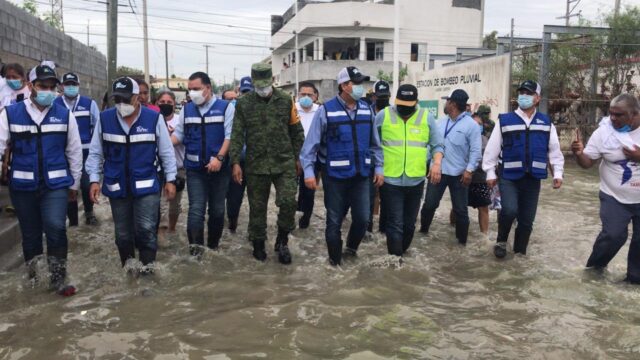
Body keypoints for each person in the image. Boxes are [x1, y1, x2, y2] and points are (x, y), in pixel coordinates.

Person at [0, 64, 82, 295]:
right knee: (31, 234)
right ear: (30, 86)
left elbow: (74, 151)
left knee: (56, 227)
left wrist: (74, 183)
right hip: (22, 186)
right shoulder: (10, 113)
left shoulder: (65, 115)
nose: (47, 90)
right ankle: (34, 278)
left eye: (51, 87)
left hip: (55, 185)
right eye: (42, 86)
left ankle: (58, 278)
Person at [86, 77, 177, 273]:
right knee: (123, 235)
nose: (122, 104)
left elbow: (166, 152)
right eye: (118, 99)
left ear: (138, 98)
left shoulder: (154, 119)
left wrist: (170, 179)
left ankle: (147, 272)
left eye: (126, 99)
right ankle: (129, 272)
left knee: (145, 229)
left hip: (147, 186)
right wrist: (94, 179)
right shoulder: (105, 118)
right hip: (117, 186)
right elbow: (95, 152)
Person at [300, 66, 384, 266]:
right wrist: (309, 173)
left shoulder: (366, 110)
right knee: (334, 221)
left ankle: (351, 250)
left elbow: (375, 144)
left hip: (361, 174)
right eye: (355, 83)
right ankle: (335, 264)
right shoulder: (326, 111)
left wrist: (379, 168)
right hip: (334, 176)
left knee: (363, 219)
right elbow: (309, 147)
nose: (359, 87)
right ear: (344, 86)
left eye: (360, 83)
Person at [229, 63, 305, 264]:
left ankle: (282, 240)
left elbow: (297, 132)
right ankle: (258, 243)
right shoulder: (243, 104)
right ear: (253, 83)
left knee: (289, 202)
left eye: (266, 84)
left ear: (272, 80)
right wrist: (235, 162)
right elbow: (236, 134)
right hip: (256, 163)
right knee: (257, 208)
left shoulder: (286, 100)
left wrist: (297, 157)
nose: (262, 88)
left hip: (284, 162)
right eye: (258, 85)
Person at [482, 80, 564, 258]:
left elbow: (554, 151)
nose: (523, 96)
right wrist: (489, 172)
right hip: (509, 176)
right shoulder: (505, 120)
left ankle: (520, 253)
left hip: (532, 178)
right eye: (521, 93)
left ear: (537, 98)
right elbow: (492, 149)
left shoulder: (546, 123)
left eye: (528, 93)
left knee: (527, 221)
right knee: (509, 210)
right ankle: (502, 240)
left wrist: (557, 173)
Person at [572, 94, 640, 284]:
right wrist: (578, 153)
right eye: (611, 114)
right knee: (613, 235)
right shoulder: (603, 133)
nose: (613, 119)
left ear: (635, 114)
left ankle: (634, 281)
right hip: (614, 196)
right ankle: (594, 271)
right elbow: (587, 163)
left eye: (619, 115)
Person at [171, 72, 234, 256]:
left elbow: (230, 136)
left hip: (219, 169)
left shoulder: (225, 108)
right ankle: (196, 255)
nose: (192, 93)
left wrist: (220, 158)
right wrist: (163, 142)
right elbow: (179, 135)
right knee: (196, 210)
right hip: (195, 170)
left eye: (196, 89)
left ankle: (213, 248)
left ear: (208, 88)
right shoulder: (186, 109)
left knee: (216, 211)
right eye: (190, 89)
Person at [378, 84, 443, 256]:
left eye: (408, 105)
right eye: (400, 104)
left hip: (416, 180)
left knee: (409, 224)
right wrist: (376, 168)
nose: (403, 109)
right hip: (390, 179)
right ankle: (395, 261)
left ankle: (400, 254)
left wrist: (437, 163)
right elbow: (372, 144)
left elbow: (437, 145)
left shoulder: (426, 117)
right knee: (395, 223)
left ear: (416, 102)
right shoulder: (383, 115)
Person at [419, 89, 481, 245]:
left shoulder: (471, 126)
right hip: (437, 172)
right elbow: (431, 146)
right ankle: (423, 233)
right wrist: (427, 166)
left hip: (459, 174)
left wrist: (469, 170)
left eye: (447, 101)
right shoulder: (440, 122)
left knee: (460, 210)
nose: (445, 104)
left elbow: (476, 151)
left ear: (452, 104)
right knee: (429, 205)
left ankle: (462, 244)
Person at [54, 72, 100, 227]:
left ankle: (89, 213)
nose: (71, 87)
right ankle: (73, 221)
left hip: (86, 153)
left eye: (73, 84)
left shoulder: (89, 104)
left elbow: (97, 128)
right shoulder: (55, 103)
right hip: (63, 154)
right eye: (67, 84)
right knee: (68, 184)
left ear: (78, 86)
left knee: (86, 184)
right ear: (62, 86)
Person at [450, 112, 492, 234]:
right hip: (463, 177)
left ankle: (484, 236)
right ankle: (452, 227)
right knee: (457, 207)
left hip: (480, 178)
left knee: (483, 207)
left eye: (479, 124)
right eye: (474, 123)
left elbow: (490, 159)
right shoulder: (461, 138)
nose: (476, 126)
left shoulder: (486, 140)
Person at [156, 88, 186, 246]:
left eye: (169, 102)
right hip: (158, 169)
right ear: (156, 103)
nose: (166, 105)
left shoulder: (180, 120)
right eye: (162, 102)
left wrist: (177, 135)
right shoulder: (153, 119)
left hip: (179, 168)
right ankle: (161, 233)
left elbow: (188, 140)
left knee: (175, 203)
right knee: (160, 203)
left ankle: (172, 229)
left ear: (175, 104)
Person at [295, 81, 320, 229]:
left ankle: (304, 223)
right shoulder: (291, 109)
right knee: (290, 192)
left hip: (313, 160)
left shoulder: (320, 111)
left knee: (309, 193)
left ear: (315, 96)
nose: (305, 97)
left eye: (309, 94)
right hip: (293, 159)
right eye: (302, 94)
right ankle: (291, 220)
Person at [370, 80, 391, 234]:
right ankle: (371, 222)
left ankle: (382, 228)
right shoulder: (365, 111)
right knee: (372, 195)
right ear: (374, 96)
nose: (382, 99)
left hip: (389, 162)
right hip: (370, 161)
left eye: (385, 96)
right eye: (379, 96)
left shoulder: (393, 114)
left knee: (386, 196)